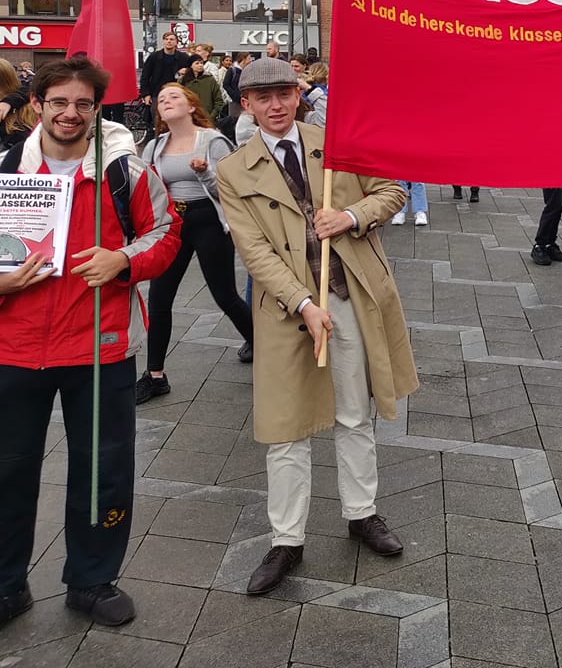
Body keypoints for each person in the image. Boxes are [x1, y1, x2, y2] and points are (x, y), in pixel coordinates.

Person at [216, 56, 417, 596]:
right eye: (263, 98)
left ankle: (362, 513)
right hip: (286, 311)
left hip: (350, 295)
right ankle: (286, 539)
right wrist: (304, 302)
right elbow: (254, 251)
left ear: (298, 95)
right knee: (285, 428)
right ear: (247, 105)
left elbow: (392, 189)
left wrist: (350, 217)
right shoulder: (234, 170)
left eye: (284, 93)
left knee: (354, 412)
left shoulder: (338, 142)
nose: (276, 105)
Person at [0, 56, 180, 628]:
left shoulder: (124, 173)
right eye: (59, 102)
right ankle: (6, 586)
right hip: (14, 346)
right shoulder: (5, 169)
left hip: (101, 347)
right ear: (38, 106)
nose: (70, 113)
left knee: (103, 469)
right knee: (6, 471)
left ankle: (93, 580)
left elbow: (167, 232)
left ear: (96, 109)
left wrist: (122, 259)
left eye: (82, 104)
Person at [136, 84, 254, 403]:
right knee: (160, 297)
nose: (166, 102)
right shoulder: (154, 146)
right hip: (173, 224)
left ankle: (261, 345)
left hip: (208, 220)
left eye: (174, 96)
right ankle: (155, 375)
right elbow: (149, 193)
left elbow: (232, 189)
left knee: (224, 295)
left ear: (191, 106)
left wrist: (205, 175)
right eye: (161, 100)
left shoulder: (212, 140)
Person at [138, 31, 187, 112]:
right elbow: (145, 76)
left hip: (176, 94)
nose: (169, 41)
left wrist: (184, 72)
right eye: (166, 39)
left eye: (171, 39)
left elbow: (190, 75)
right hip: (156, 93)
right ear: (163, 41)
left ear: (176, 42)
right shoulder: (154, 57)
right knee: (157, 119)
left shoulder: (183, 58)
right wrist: (146, 94)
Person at [180, 53, 227, 124]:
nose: (200, 65)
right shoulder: (183, 80)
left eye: (202, 63)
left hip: (207, 119)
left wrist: (212, 116)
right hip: (188, 119)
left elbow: (219, 101)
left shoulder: (210, 80)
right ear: (191, 65)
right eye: (197, 63)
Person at [531, 188, 562, 266]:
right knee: (553, 205)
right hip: (551, 176)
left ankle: (549, 244)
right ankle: (540, 245)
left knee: (559, 205)